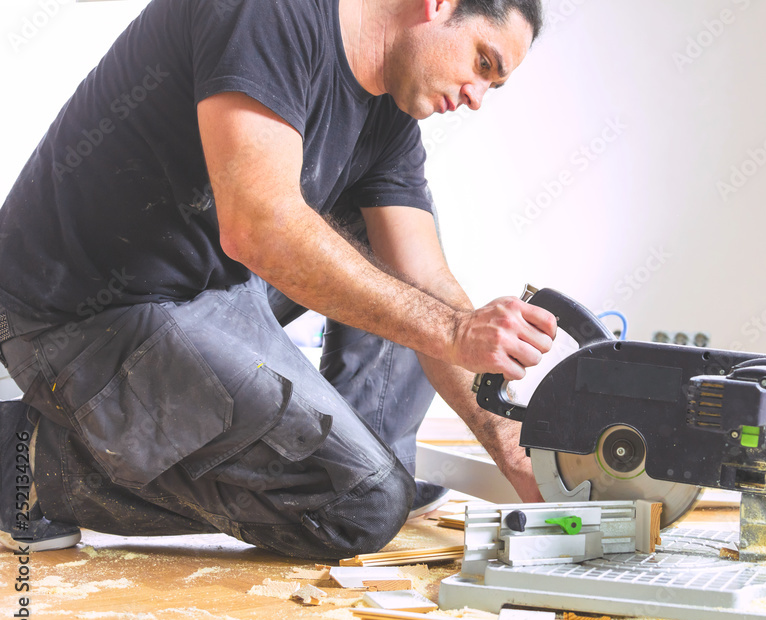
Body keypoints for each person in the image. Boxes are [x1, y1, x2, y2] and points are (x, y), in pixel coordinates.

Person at [0, 0, 556, 559]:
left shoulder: (389, 113)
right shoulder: (268, 12)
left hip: (208, 291)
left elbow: (427, 279)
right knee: (360, 511)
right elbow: (259, 227)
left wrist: (513, 450)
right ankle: (27, 459)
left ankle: (367, 456)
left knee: (398, 273)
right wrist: (457, 332)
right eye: (483, 63)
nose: (476, 98)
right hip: (81, 311)